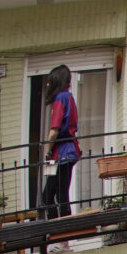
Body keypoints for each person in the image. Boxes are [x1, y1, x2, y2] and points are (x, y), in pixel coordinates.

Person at [40, 65, 81, 223]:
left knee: (54, 195)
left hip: (62, 152)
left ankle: (60, 236)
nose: (47, 85)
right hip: (69, 150)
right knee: (58, 194)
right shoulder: (69, 97)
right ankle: (60, 235)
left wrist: (47, 150)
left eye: (49, 82)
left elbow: (54, 130)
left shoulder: (60, 99)